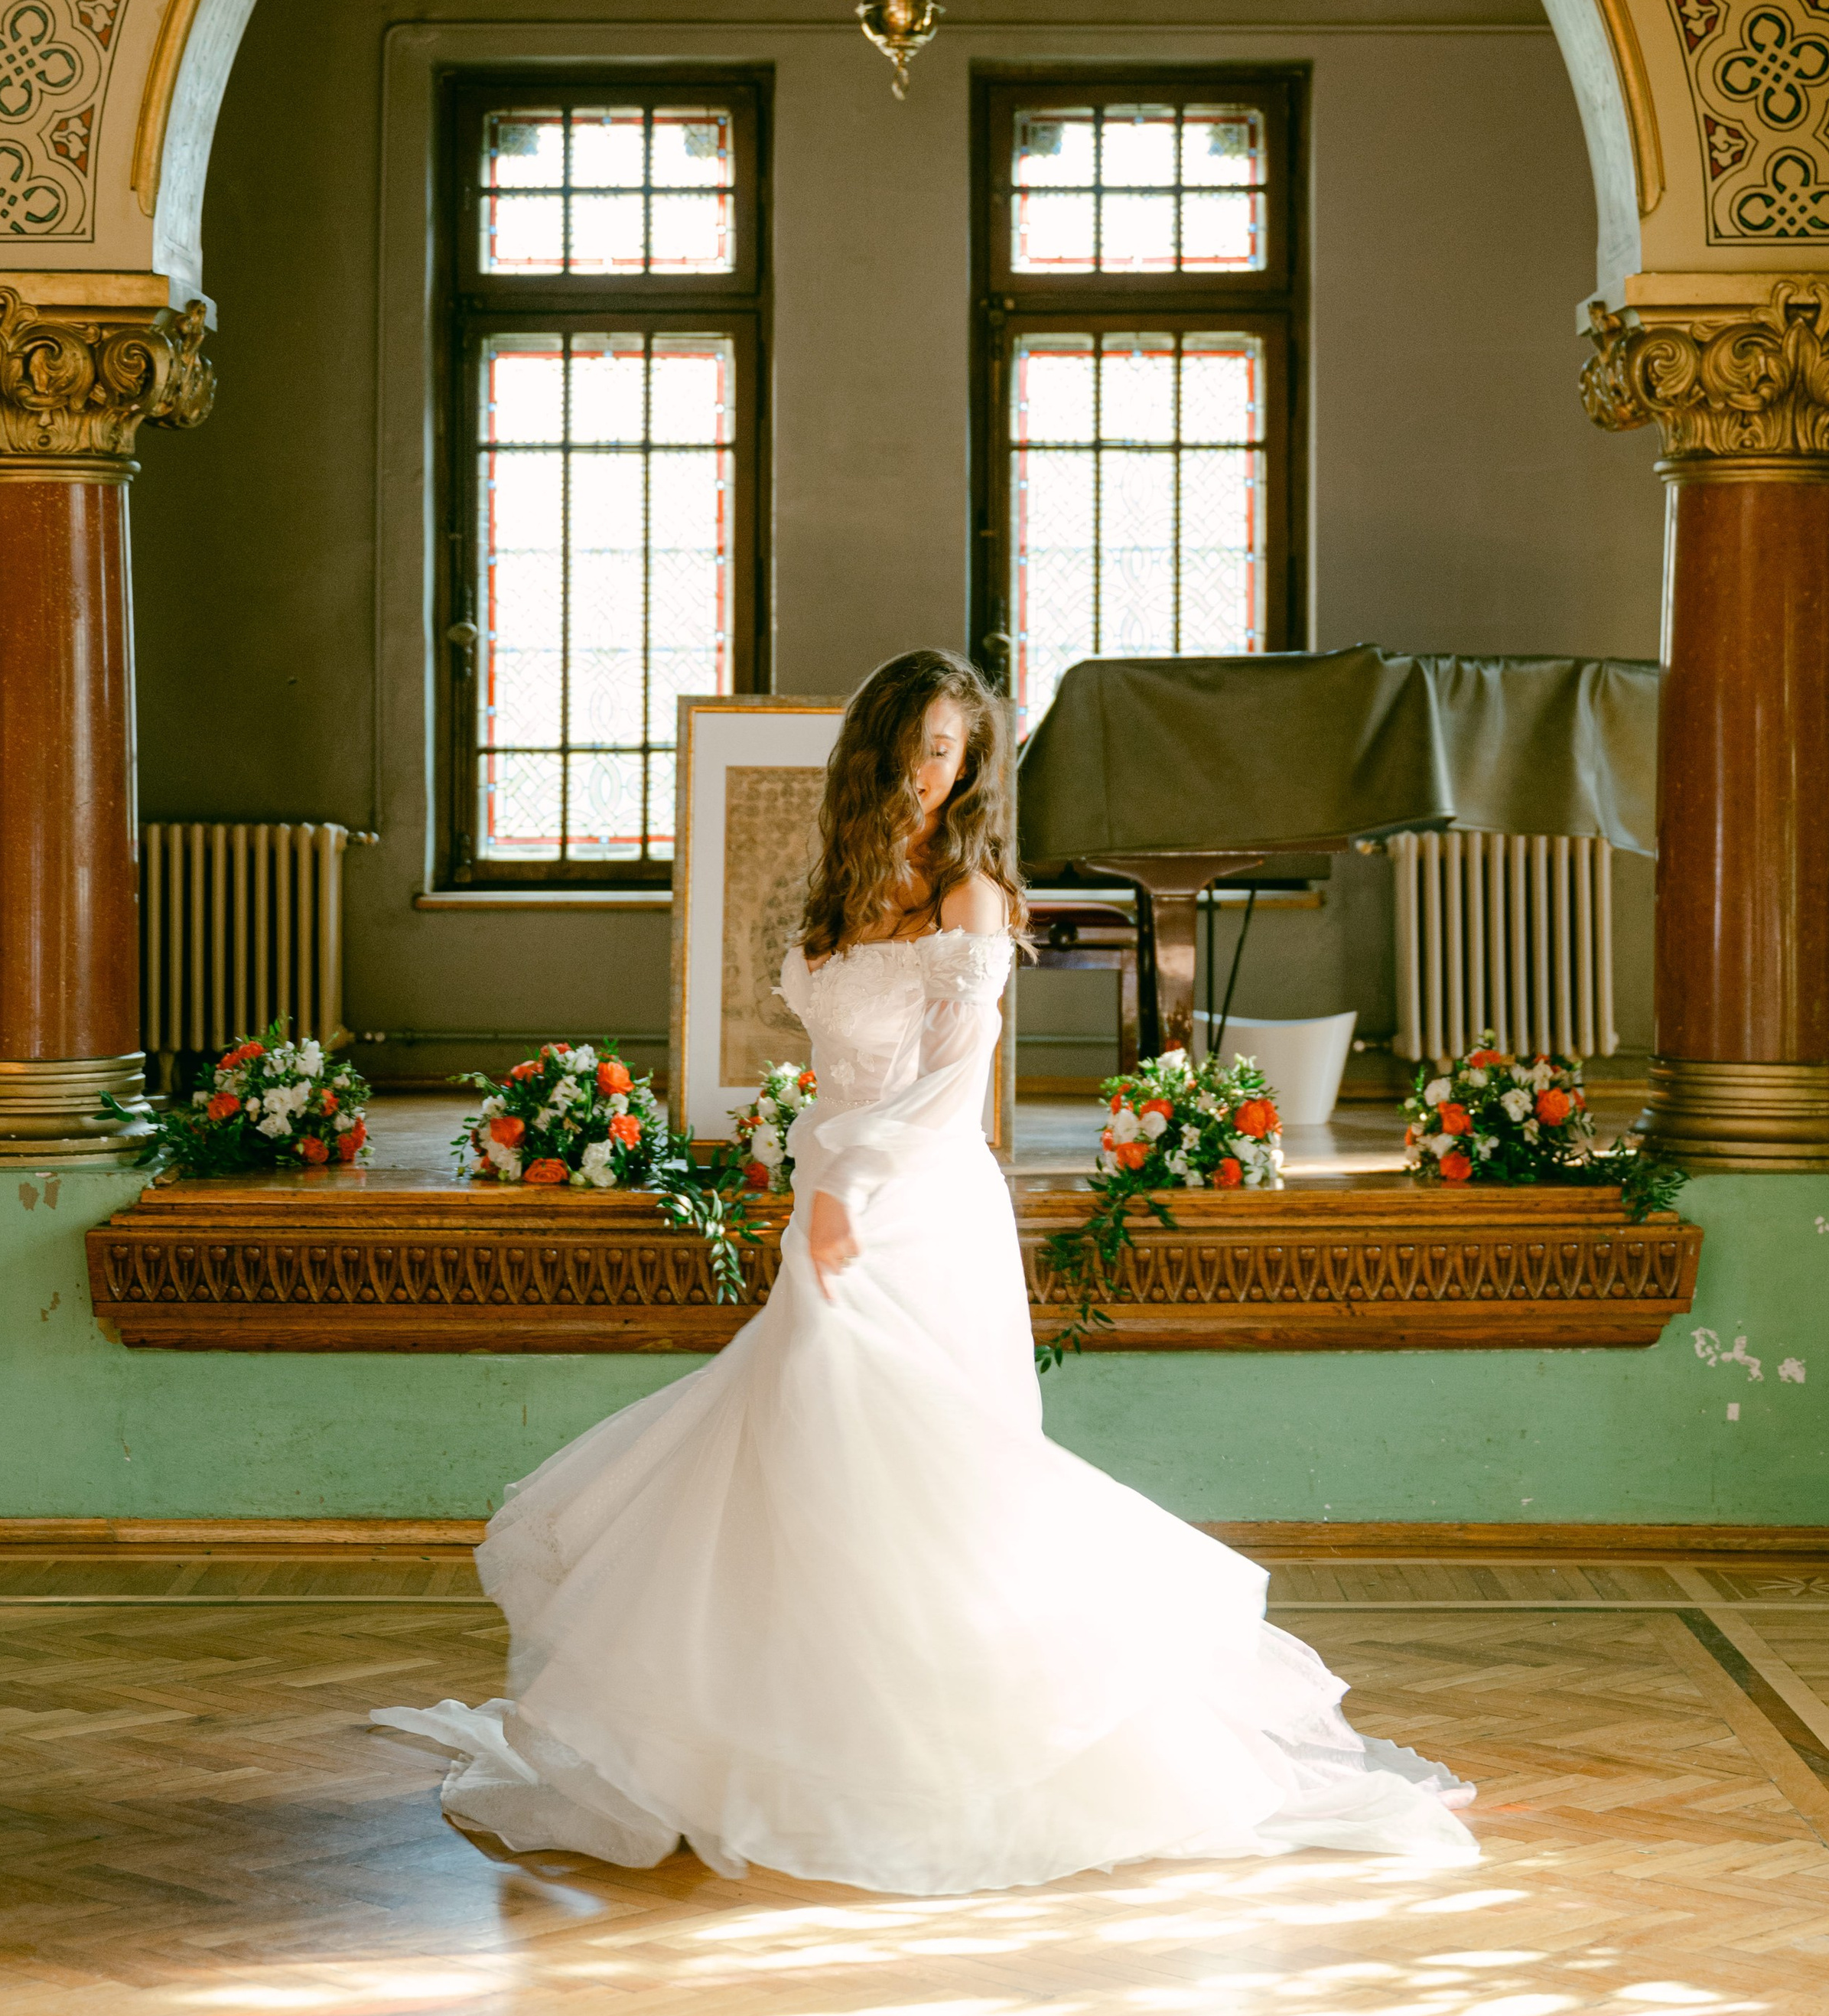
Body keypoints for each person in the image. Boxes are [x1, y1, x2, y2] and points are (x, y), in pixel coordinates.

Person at [375, 649, 1476, 1893]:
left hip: (918, 1207)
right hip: (833, 1201)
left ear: (973, 767)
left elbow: (954, 1089)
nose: (927, 770)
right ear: (875, 751)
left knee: (918, 1462)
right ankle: (790, 1737)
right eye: (912, 744)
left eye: (951, 750)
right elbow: (839, 1076)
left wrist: (850, 1186)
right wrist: (816, 1183)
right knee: (800, 1457)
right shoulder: (842, 888)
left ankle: (943, 1754)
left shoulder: (970, 897)